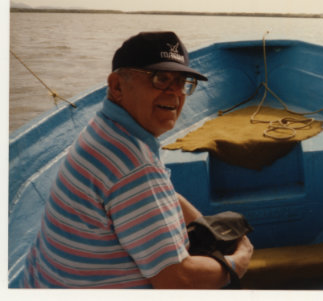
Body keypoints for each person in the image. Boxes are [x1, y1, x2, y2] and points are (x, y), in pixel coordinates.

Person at [19, 31, 254, 288]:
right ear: (117, 86)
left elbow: (163, 196)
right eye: (160, 79)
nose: (175, 93)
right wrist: (237, 263)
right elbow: (177, 279)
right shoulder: (133, 167)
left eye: (182, 81)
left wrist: (205, 226)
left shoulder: (107, 129)